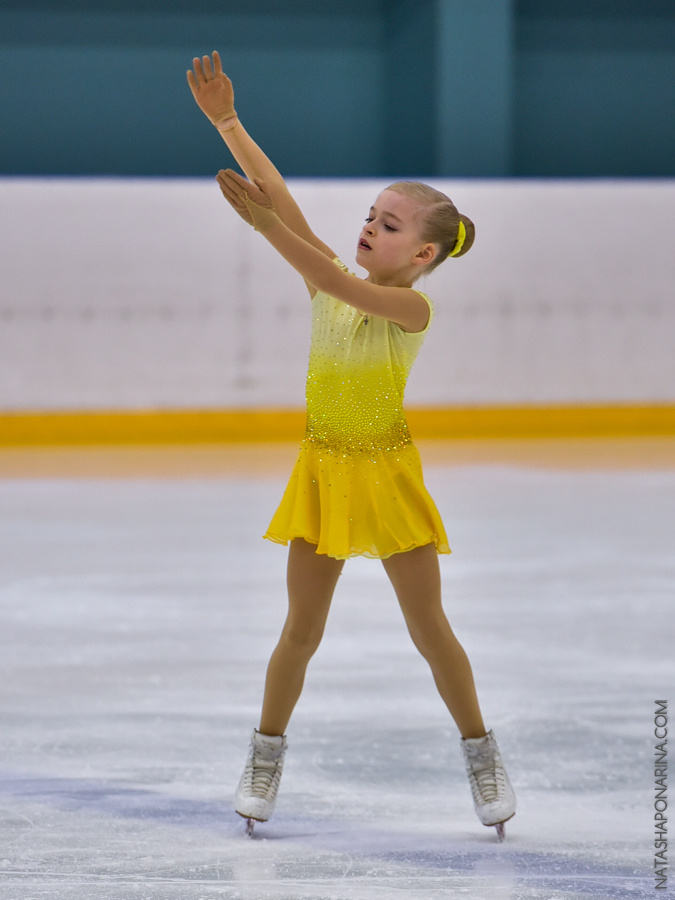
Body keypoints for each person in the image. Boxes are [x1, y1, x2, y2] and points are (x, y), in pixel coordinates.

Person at [187, 51, 516, 840]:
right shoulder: (331, 276)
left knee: (429, 631)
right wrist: (228, 123)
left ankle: (481, 753)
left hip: (386, 473)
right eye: (370, 215)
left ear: (423, 256)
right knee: (299, 630)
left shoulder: (409, 314)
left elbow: (330, 278)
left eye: (389, 225)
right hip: (324, 470)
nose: (369, 227)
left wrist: (266, 226)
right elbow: (291, 213)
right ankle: (265, 756)